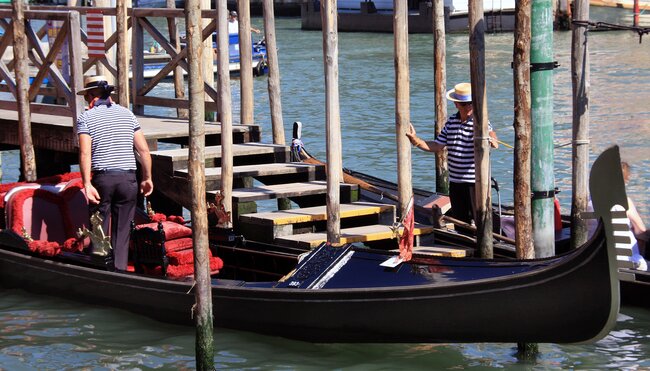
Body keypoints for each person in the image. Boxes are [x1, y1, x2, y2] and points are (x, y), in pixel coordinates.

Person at [76, 75, 154, 272]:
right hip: (128, 179)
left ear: (92, 95)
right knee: (122, 230)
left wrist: (87, 184)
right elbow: (144, 151)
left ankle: (99, 271)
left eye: (87, 96)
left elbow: (85, 152)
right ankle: (119, 271)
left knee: (98, 228)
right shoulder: (128, 114)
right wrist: (147, 178)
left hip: (104, 179)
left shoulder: (86, 117)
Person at [406, 82, 498, 224]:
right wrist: (415, 140)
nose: (468, 107)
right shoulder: (451, 122)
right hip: (455, 181)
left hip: (475, 182)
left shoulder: (479, 122)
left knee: (480, 221)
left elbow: (490, 132)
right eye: (464, 104)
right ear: (456, 104)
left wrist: (492, 139)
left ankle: (482, 245)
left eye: (471, 103)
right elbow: (437, 145)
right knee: (460, 220)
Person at [622, 162, 648, 258]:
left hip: (593, 256)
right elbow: (641, 230)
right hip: (626, 259)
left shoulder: (588, 199)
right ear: (625, 180)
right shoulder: (625, 202)